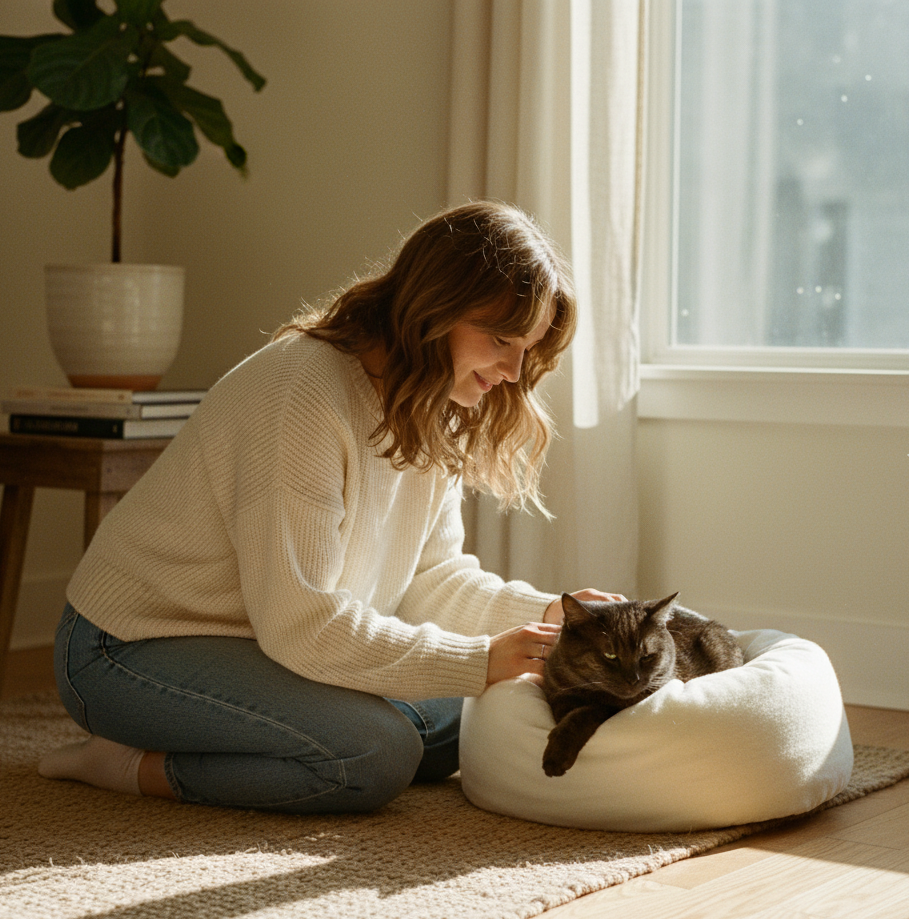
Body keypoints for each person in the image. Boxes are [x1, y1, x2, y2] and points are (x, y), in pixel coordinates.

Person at [38, 201, 624, 813]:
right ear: (433, 308)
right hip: (126, 649)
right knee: (376, 753)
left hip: (263, 645)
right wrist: (478, 661)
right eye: (501, 340)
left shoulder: (433, 402)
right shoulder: (301, 395)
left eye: (526, 349)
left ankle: (281, 732)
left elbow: (431, 581)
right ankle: (124, 764)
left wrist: (557, 616)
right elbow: (304, 624)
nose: (512, 371)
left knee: (481, 718)